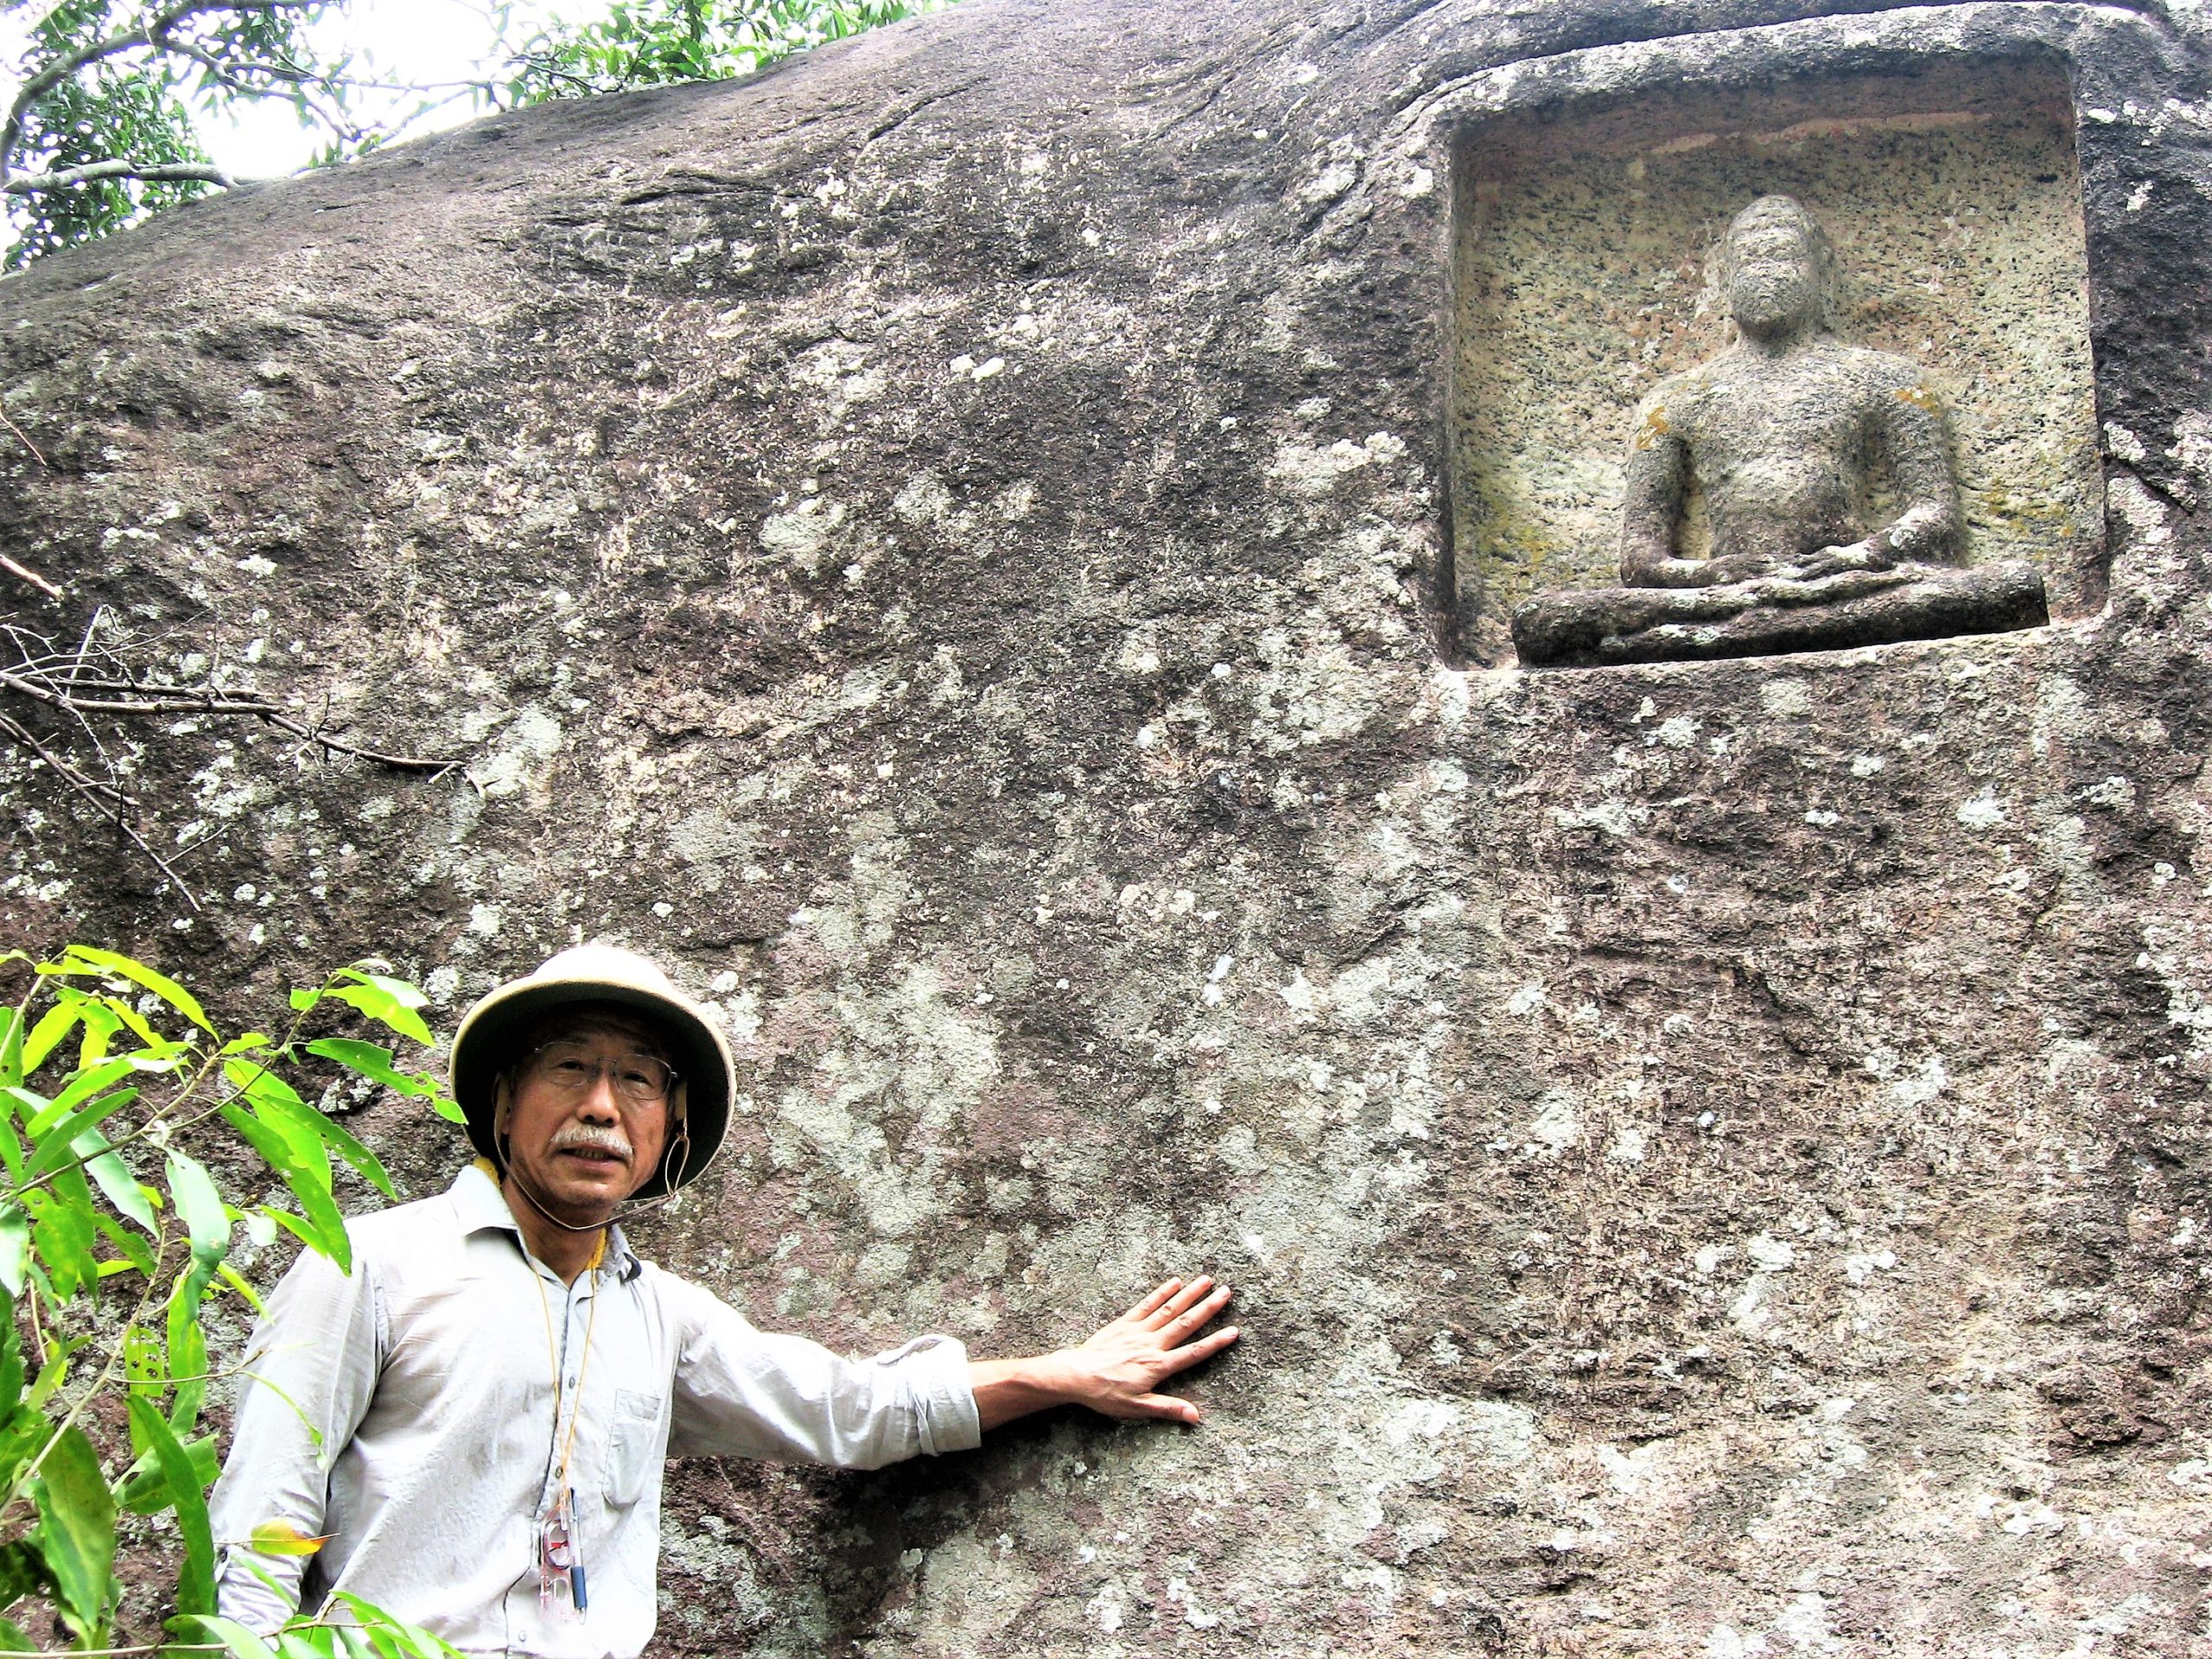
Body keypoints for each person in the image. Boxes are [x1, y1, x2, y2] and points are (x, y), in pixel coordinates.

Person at [208, 944, 1239, 1653]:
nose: (602, 1107)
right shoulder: (369, 1266)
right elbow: (259, 1518)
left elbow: (847, 1411)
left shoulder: (659, 1318)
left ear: (669, 1132)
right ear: (504, 1103)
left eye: (639, 1083)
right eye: (570, 1067)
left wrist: (1057, 1376)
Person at [1510, 194, 2046, 667]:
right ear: (1724, 279)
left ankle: (1772, 621)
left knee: (2010, 588)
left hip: (1847, 583)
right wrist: (1713, 576)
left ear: (1820, 273)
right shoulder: (1676, 398)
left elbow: (1936, 517)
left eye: (1784, 258)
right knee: (1545, 620)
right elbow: (1641, 559)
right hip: (1727, 593)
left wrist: (1856, 556)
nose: (1766, 275)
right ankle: (1767, 619)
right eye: (1750, 261)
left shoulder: (1885, 378)